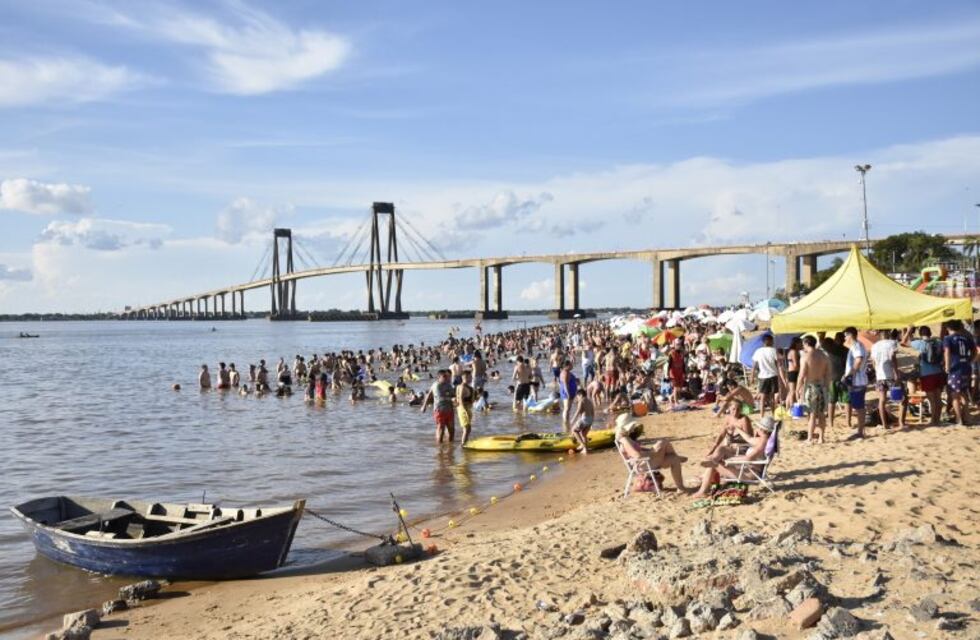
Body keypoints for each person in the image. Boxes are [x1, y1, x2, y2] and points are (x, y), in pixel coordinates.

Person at [692, 416, 774, 498]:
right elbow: (748, 438)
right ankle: (713, 459)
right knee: (722, 449)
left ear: (762, 429)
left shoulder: (762, 443)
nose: (757, 428)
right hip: (746, 468)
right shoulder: (763, 440)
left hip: (749, 474)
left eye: (758, 427)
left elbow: (748, 458)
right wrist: (738, 429)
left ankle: (703, 491)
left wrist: (729, 460)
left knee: (714, 465)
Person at [615, 421, 688, 492]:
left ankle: (680, 488)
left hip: (646, 462)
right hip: (642, 465)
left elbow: (641, 451)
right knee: (663, 442)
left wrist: (652, 451)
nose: (633, 428)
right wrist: (652, 452)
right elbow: (637, 456)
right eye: (632, 426)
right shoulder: (624, 440)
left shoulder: (628, 439)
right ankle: (678, 457)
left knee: (674, 459)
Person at [905, 326, 944, 426]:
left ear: (920, 334)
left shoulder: (920, 343)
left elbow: (904, 342)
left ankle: (933, 421)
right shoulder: (938, 342)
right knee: (938, 399)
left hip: (927, 374)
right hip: (938, 372)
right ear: (930, 333)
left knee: (932, 400)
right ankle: (937, 420)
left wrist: (908, 330)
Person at [796, 335, 831, 443]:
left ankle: (810, 438)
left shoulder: (805, 357)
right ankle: (821, 438)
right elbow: (828, 373)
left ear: (806, 343)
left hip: (810, 387)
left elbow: (802, 375)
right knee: (821, 414)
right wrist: (827, 387)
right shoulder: (824, 356)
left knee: (812, 414)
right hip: (822, 386)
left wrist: (797, 389)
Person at [943, 319, 977, 426]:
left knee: (954, 395)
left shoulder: (948, 338)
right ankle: (967, 418)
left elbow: (947, 352)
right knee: (963, 394)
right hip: (966, 368)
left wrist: (947, 367)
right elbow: (975, 351)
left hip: (955, 369)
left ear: (948, 328)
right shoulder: (967, 338)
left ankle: (959, 420)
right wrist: (970, 360)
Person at [870, 329, 905, 429]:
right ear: (888, 334)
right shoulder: (892, 343)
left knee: (882, 400)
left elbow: (873, 362)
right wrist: (896, 373)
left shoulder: (874, 346)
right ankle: (901, 423)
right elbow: (893, 358)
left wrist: (877, 371)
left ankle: (884, 424)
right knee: (902, 399)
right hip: (891, 375)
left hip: (880, 376)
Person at [843, 327, 868, 438]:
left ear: (850, 335)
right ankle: (860, 431)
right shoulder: (854, 346)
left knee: (859, 407)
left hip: (858, 380)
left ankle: (860, 432)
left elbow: (858, 360)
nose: (845, 338)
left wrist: (849, 374)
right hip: (856, 380)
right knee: (858, 406)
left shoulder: (857, 346)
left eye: (845, 335)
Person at [421, 369, 456, 443]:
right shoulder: (436, 385)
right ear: (439, 377)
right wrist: (424, 406)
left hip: (449, 409)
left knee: (452, 430)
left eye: (447, 376)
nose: (446, 378)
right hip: (439, 410)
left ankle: (450, 448)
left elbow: (453, 395)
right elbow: (434, 396)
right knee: (441, 429)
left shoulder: (448, 385)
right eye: (444, 376)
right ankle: (439, 449)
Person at [751, 334, 779, 416]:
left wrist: (752, 376)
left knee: (763, 397)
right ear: (770, 341)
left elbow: (754, 365)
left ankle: (762, 414)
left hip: (763, 376)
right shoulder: (773, 350)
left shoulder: (758, 351)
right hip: (773, 375)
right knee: (771, 397)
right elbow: (778, 364)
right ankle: (773, 413)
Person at [569, 388, 594, 453]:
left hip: (585, 419)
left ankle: (582, 445)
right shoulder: (589, 401)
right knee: (583, 434)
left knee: (574, 430)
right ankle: (585, 450)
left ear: (580, 395)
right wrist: (591, 422)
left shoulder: (581, 400)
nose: (577, 398)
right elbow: (592, 411)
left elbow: (578, 411)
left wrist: (573, 420)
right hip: (590, 419)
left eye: (577, 396)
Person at [455, 370, 476, 444]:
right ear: (465, 377)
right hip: (463, 409)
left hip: (467, 408)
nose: (471, 379)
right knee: (467, 428)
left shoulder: (468, 387)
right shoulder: (462, 387)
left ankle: (465, 442)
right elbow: (460, 398)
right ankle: (463, 444)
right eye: (470, 377)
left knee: (468, 428)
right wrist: (464, 410)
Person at [558, 360, 578, 431]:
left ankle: (567, 421)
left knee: (568, 409)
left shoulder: (567, 372)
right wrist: (568, 394)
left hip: (569, 392)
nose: (572, 365)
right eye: (571, 364)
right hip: (567, 392)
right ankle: (565, 423)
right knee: (566, 408)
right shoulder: (565, 373)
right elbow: (565, 384)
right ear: (567, 366)